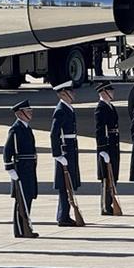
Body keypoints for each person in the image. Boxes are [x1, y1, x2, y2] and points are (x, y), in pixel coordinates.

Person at [4, 99, 39, 237]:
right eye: (28, 111)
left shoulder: (26, 128)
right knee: (21, 199)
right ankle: (20, 230)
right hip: (21, 168)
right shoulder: (15, 129)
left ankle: (26, 227)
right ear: (19, 113)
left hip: (29, 168)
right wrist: (9, 168)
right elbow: (8, 150)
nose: (30, 113)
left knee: (28, 197)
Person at [50, 81, 81, 226]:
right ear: (63, 93)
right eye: (70, 91)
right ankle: (63, 216)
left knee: (69, 184)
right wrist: (57, 154)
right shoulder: (61, 110)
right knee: (64, 185)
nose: (73, 94)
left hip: (70, 149)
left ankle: (63, 214)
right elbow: (54, 134)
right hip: (65, 151)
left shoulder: (68, 108)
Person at [94, 81, 121, 214]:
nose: (112, 93)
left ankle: (110, 203)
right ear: (103, 92)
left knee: (113, 176)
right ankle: (105, 206)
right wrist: (102, 149)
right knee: (107, 178)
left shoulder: (110, 106)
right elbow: (100, 131)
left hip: (113, 144)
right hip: (107, 146)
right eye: (110, 91)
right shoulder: (101, 108)